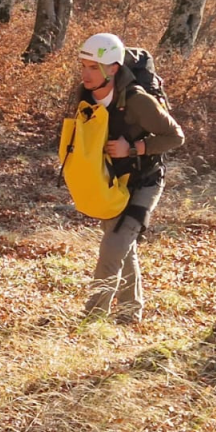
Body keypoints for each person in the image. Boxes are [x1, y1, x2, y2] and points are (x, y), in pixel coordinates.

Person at [74, 33, 184, 324]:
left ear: (112, 68)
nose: (85, 73)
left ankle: (91, 319)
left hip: (146, 181)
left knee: (113, 246)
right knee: (124, 245)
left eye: (93, 67)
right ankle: (129, 313)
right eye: (83, 65)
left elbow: (175, 137)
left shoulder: (136, 100)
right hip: (114, 180)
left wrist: (134, 148)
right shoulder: (86, 93)